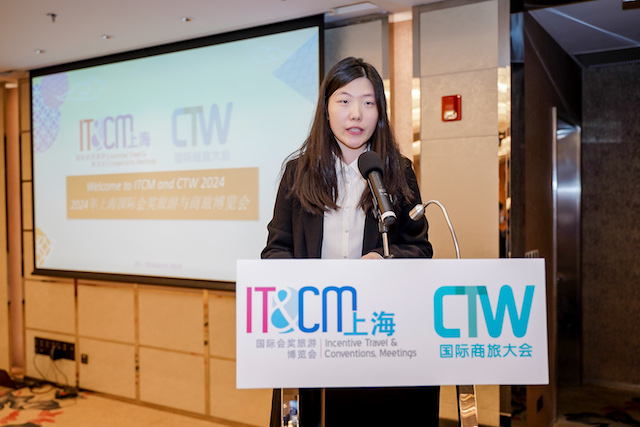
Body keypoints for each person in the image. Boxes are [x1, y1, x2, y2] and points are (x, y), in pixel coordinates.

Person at [261, 57, 439, 426]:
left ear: (380, 112)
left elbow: (420, 249)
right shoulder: (298, 173)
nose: (356, 114)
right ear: (326, 109)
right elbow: (276, 249)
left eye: (368, 102)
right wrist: (303, 285)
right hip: (312, 330)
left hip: (374, 333)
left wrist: (383, 260)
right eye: (344, 101)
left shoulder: (398, 172)